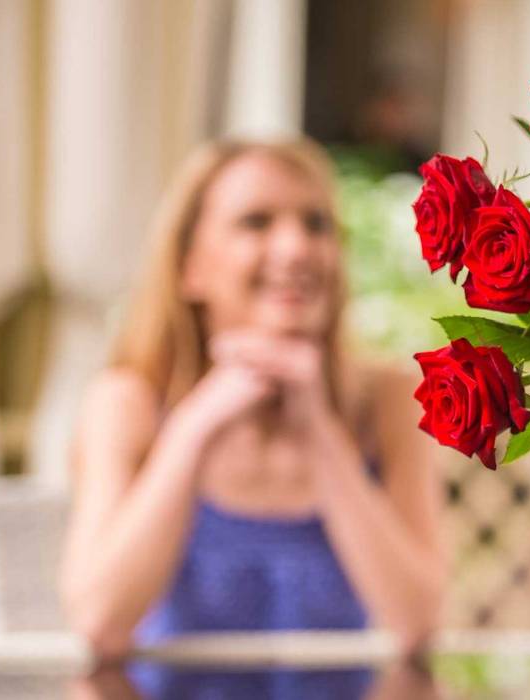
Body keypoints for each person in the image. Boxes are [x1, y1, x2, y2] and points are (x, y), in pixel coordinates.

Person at [58, 140, 446, 661]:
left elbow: (417, 623)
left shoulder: (387, 400)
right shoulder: (128, 402)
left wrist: (318, 428)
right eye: (256, 223)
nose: (296, 248)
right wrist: (195, 424)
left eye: (315, 224)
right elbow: (99, 621)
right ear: (190, 267)